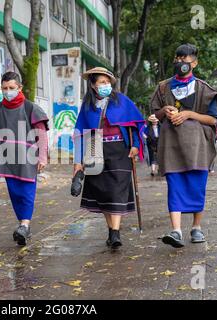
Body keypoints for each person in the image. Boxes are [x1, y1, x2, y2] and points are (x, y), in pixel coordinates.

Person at [150, 44, 217, 248]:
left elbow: (212, 119)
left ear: (195, 63)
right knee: (175, 186)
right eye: (178, 58)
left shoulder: (204, 89)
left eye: (185, 59)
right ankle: (176, 230)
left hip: (198, 147)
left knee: (197, 186)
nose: (181, 63)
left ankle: (196, 228)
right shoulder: (163, 87)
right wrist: (165, 110)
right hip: (171, 146)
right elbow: (154, 115)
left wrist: (189, 114)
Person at [73, 67, 145, 249]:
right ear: (93, 85)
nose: (105, 86)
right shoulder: (87, 106)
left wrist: (135, 145)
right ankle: (112, 230)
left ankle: (115, 232)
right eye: (101, 83)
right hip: (94, 148)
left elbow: (135, 125)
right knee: (102, 191)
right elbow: (80, 133)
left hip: (120, 149)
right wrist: (77, 161)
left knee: (116, 190)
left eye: (107, 82)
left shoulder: (122, 101)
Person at [0, 72, 49, 246]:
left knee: (27, 192)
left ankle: (24, 224)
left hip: (28, 158)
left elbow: (41, 135)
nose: (8, 91)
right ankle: (23, 226)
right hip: (6, 159)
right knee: (15, 193)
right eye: (4, 88)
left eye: (11, 88)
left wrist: (42, 157)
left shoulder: (31, 108)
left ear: (19, 88)